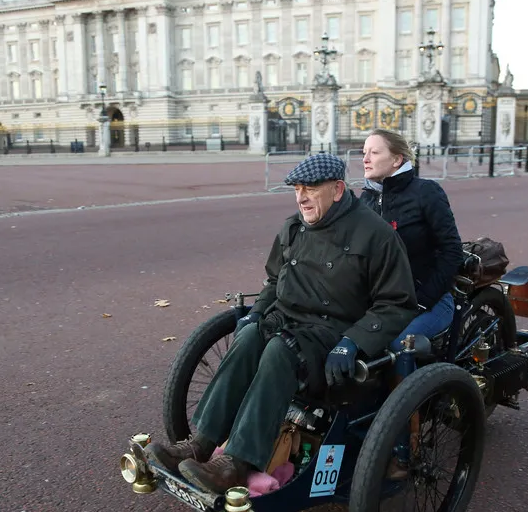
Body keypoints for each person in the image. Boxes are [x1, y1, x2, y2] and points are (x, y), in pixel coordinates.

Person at [146, 154, 417, 494]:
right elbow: (274, 281)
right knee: (247, 340)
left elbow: (397, 303)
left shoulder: (376, 235)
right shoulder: (292, 228)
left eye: (310, 189)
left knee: (279, 350)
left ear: (336, 190)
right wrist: (256, 314)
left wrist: (354, 342)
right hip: (285, 320)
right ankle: (201, 443)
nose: (301, 197)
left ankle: (237, 462)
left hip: (332, 334)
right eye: (297, 189)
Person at [359, 129, 464, 349]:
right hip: (383, 301)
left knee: (398, 347)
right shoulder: (367, 198)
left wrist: (423, 300)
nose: (365, 159)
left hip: (429, 299)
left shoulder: (426, 192)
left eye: (374, 153)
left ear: (397, 159)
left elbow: (452, 250)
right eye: (364, 152)